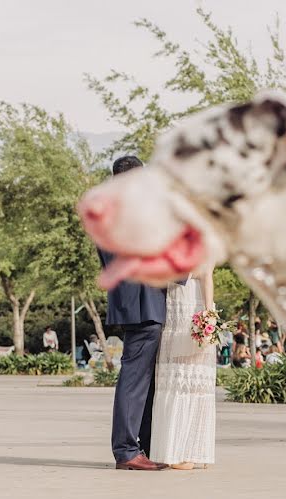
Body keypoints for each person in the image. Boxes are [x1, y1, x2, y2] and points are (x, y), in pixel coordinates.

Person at [96, 155, 171, 471]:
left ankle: (141, 446)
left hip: (140, 302)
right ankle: (127, 450)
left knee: (144, 380)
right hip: (141, 301)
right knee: (135, 379)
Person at [150, 272, 217, 470]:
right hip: (177, 304)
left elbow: (207, 274)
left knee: (189, 377)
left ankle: (187, 451)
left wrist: (208, 314)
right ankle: (180, 450)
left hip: (191, 305)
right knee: (177, 377)